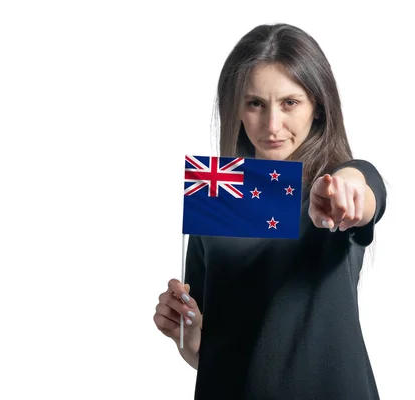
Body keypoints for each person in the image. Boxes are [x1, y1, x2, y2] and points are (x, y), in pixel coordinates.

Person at [153, 23, 387, 400]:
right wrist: (191, 337)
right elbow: (219, 351)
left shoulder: (332, 190)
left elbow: (364, 189)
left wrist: (349, 191)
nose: (272, 125)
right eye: (255, 103)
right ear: (237, 109)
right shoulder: (218, 198)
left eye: (289, 103)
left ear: (318, 107)